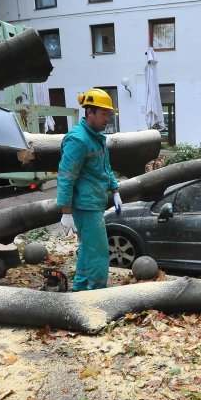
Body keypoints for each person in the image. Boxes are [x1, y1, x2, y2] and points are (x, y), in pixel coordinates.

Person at [56, 88, 122, 291]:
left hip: (94, 202)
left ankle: (80, 289)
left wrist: (115, 190)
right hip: (85, 206)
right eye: (103, 114)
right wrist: (66, 212)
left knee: (87, 249)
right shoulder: (78, 139)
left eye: (108, 114)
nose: (107, 119)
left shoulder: (97, 136)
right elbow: (66, 177)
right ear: (89, 112)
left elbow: (105, 168)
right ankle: (97, 296)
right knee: (99, 252)